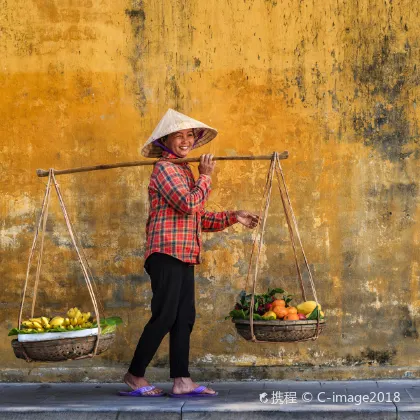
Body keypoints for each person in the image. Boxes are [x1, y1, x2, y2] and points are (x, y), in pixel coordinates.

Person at [120, 109, 259, 397]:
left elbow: (198, 218)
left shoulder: (183, 171)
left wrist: (235, 216)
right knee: (165, 315)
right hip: (166, 252)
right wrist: (206, 177)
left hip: (184, 253)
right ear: (165, 142)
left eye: (189, 136)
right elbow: (188, 204)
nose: (185, 141)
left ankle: (182, 380)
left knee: (184, 317)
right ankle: (135, 375)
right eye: (178, 136)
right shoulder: (164, 169)